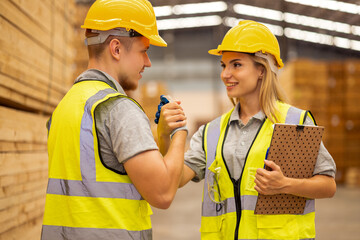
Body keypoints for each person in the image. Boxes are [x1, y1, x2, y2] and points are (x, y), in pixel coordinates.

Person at [157, 20, 336, 240]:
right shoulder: (211, 132)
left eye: (236, 65)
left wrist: (285, 184)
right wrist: (168, 134)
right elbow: (175, 179)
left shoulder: (293, 123)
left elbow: (328, 185)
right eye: (223, 66)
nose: (225, 74)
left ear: (261, 70)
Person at [41, 1, 188, 239]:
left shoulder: (65, 107)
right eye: (143, 50)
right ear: (116, 49)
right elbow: (162, 193)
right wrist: (180, 131)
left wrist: (161, 134)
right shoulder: (119, 109)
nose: (148, 62)